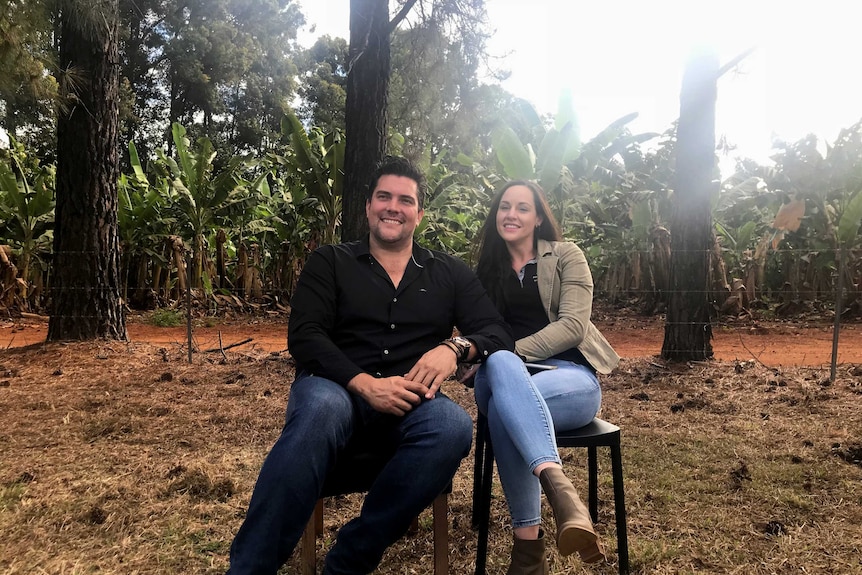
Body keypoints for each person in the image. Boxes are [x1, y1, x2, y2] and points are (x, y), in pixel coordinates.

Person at [226, 156, 514, 575]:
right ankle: (250, 568)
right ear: (368, 206)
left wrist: (455, 348)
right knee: (321, 410)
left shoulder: (447, 272)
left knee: (452, 426)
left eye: (405, 199)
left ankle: (350, 559)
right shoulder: (330, 262)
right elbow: (305, 336)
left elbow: (497, 331)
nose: (393, 207)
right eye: (384, 197)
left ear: (419, 213)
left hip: (411, 398)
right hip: (334, 387)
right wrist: (363, 383)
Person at [471, 180, 620, 574]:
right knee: (501, 367)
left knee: (506, 394)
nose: (511, 215)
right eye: (505, 207)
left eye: (522, 208)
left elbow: (573, 326)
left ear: (538, 218)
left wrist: (510, 353)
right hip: (498, 378)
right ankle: (562, 493)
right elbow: (476, 335)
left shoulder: (567, 256)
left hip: (569, 379)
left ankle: (528, 557)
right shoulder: (485, 272)